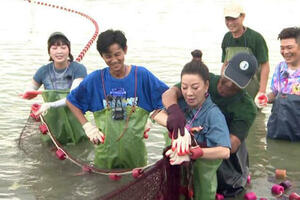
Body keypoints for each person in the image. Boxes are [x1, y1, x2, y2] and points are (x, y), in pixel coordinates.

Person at [66, 29, 169, 169]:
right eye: (108, 56)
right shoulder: (96, 80)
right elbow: (71, 101)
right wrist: (87, 127)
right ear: (102, 56)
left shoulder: (142, 76)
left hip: (136, 158)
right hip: (105, 157)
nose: (114, 60)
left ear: (125, 50)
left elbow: (168, 97)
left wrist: (151, 120)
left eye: (117, 54)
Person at [162, 52, 258, 198]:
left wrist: (197, 143)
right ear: (224, 66)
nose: (229, 85)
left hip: (222, 150)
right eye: (228, 78)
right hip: (194, 138)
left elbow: (231, 145)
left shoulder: (247, 107)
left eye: (236, 83)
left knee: (225, 187)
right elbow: (169, 94)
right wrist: (174, 111)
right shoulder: (206, 81)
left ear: (248, 82)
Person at [164, 59, 231, 200]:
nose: (189, 93)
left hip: (202, 182)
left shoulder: (214, 114)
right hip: (179, 175)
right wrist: (176, 124)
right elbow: (156, 113)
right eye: (184, 87)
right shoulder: (181, 104)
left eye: (195, 87)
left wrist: (194, 152)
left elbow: (225, 151)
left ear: (206, 86)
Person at [22, 32, 88, 144]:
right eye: (54, 48)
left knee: (80, 144)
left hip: (75, 117)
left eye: (63, 47)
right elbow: (30, 90)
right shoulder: (43, 71)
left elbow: (73, 97)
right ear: (49, 51)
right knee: (49, 148)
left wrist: (49, 104)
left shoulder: (78, 69)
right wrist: (28, 94)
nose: (59, 51)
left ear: (69, 50)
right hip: (53, 120)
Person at [256, 27, 300, 141]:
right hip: (277, 130)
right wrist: (264, 98)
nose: (285, 52)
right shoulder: (280, 67)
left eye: (289, 48)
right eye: (282, 48)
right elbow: (275, 94)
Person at [221, 2, 270, 100]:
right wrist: (221, 84)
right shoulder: (227, 38)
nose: (230, 23)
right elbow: (225, 64)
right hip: (231, 89)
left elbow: (265, 65)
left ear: (242, 16)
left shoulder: (256, 38)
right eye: (227, 19)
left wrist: (262, 91)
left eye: (234, 18)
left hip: (252, 88)